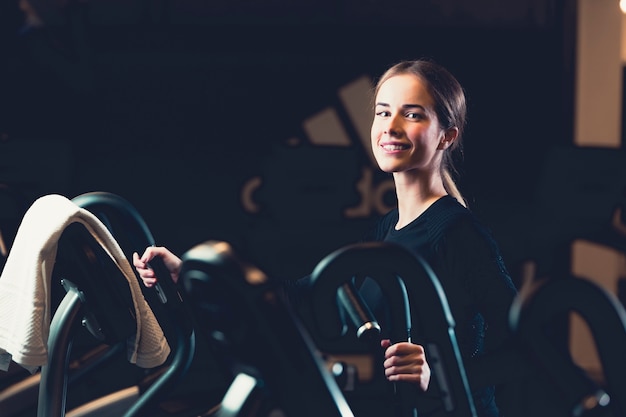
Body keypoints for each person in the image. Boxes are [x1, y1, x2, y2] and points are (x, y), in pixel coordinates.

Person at [133, 58, 518, 417]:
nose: (391, 126)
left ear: (446, 136)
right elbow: (311, 295)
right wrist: (187, 274)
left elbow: (524, 348)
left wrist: (439, 374)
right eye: (383, 112)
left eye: (412, 114)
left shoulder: (457, 233)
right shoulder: (388, 229)